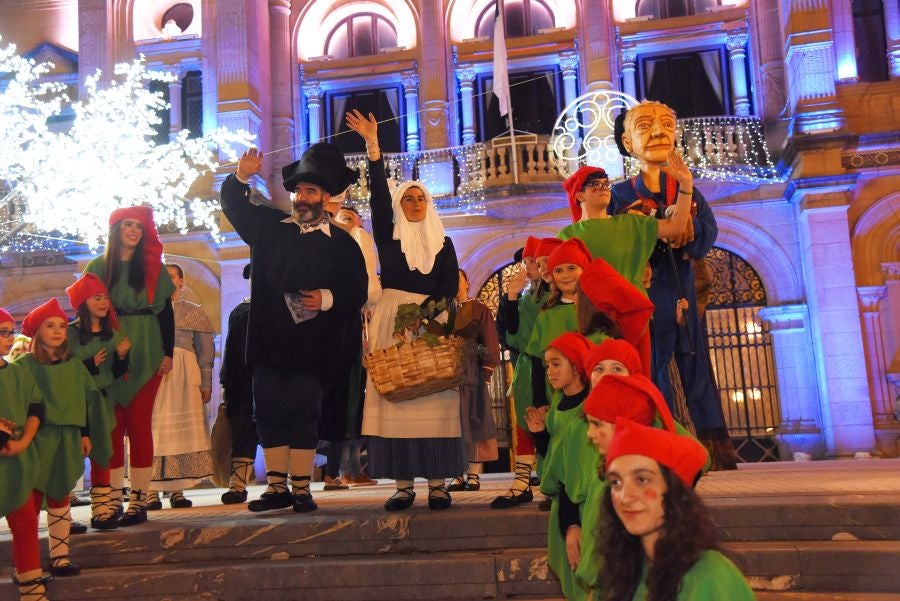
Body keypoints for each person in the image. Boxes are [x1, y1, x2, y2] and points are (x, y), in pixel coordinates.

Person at [220, 143, 367, 514]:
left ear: (325, 198)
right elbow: (235, 207)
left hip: (313, 346)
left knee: (303, 413)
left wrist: (327, 297)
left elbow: (358, 290)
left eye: (311, 191)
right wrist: (241, 176)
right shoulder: (269, 228)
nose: (302, 197)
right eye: (299, 191)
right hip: (269, 342)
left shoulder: (343, 245)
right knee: (268, 413)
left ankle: (301, 489)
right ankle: (276, 487)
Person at [346, 109, 464, 511]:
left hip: (433, 322)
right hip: (391, 320)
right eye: (408, 198)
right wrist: (372, 147)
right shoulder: (388, 232)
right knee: (396, 397)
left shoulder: (443, 243)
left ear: (428, 204)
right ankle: (402, 485)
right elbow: (378, 193)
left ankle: (438, 484)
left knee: (435, 401)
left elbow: (448, 287)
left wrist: (427, 317)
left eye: (420, 198)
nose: (414, 203)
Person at [608, 100, 735, 470]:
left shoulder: (689, 190)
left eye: (666, 123)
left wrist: (689, 225)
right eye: (645, 126)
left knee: (697, 365)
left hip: (686, 288)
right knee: (655, 364)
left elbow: (705, 234)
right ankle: (664, 445)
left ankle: (714, 448)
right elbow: (620, 239)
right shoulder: (620, 194)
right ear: (628, 142)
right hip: (648, 289)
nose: (659, 132)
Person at [84, 206, 176, 526]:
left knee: (139, 424)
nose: (134, 231)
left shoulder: (153, 268)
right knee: (110, 428)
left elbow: (165, 313)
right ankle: (109, 501)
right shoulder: (97, 267)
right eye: (128, 225)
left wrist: (168, 354)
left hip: (147, 350)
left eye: (139, 226)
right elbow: (87, 316)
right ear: (115, 229)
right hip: (107, 353)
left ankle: (138, 499)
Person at [598, 418, 755, 600]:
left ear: (674, 490)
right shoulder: (623, 572)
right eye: (616, 483)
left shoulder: (710, 576)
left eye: (642, 480)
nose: (625, 496)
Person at [14, 299, 107, 580]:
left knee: (60, 496)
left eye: (61, 327)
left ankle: (61, 556)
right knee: (29, 502)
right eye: (49, 326)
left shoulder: (73, 366)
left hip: (66, 437)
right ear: (36, 332)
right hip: (35, 440)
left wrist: (85, 433)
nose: (57, 331)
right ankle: (26, 565)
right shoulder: (24, 366)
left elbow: (85, 401)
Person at [491, 237, 557, 509]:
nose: (531, 267)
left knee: (552, 423)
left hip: (550, 366)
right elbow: (510, 334)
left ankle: (551, 480)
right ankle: (524, 481)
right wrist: (510, 297)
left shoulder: (552, 297)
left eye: (537, 262)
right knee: (527, 422)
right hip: (529, 367)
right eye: (529, 261)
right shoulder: (528, 297)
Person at [526, 331, 593, 601]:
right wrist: (540, 433)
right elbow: (555, 460)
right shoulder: (556, 409)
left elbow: (576, 466)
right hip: (562, 507)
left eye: (556, 364)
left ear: (576, 365)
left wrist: (573, 523)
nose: (550, 372)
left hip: (582, 505)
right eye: (547, 366)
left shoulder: (591, 407)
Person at [65, 273, 130, 529]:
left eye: (105, 297)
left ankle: (101, 511)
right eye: (96, 297)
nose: (103, 302)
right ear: (83, 301)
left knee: (103, 453)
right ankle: (62, 515)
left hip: (102, 402)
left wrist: (123, 357)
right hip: (74, 402)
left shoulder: (111, 335)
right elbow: (63, 369)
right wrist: (88, 366)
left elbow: (113, 374)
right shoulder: (69, 334)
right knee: (69, 456)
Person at [147, 263, 215, 509]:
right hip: (155, 373)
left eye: (172, 276)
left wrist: (206, 383)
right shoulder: (148, 310)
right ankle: (149, 490)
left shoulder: (194, 311)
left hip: (185, 376)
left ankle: (177, 490)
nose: (167, 280)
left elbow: (206, 351)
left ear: (181, 281)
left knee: (181, 434)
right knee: (154, 431)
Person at [0, 308, 48, 601]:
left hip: (17, 458)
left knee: (26, 525)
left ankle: (32, 590)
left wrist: (23, 441)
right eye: (2, 332)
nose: (9, 338)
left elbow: (35, 409)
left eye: (10, 331)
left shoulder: (18, 372)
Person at [447, 268, 500, 492]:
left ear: (467, 282)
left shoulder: (479, 309)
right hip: (447, 376)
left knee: (475, 420)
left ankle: (474, 475)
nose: (454, 284)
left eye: (457, 279)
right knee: (451, 426)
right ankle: (456, 474)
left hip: (472, 374)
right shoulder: (441, 311)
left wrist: (486, 371)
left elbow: (489, 340)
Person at [219, 263, 257, 504]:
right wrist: (226, 381)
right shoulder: (240, 311)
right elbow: (230, 350)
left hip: (274, 377)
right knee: (242, 429)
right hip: (242, 381)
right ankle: (238, 483)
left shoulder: (281, 307)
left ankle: (283, 482)